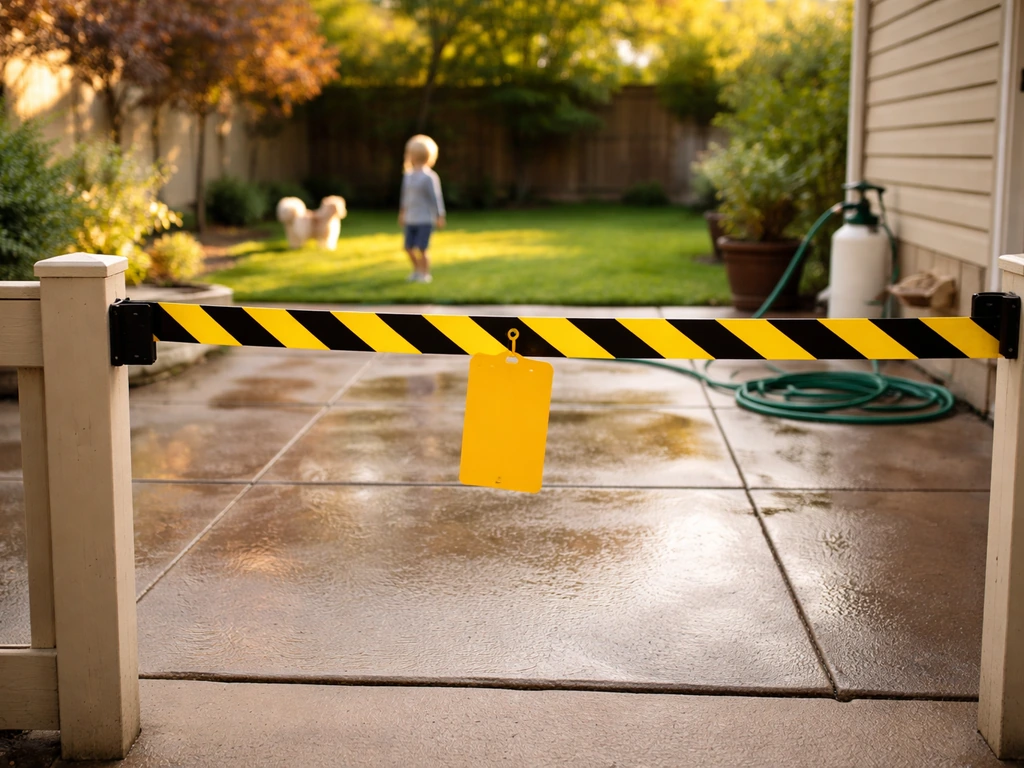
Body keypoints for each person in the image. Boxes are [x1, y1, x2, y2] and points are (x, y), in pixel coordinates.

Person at [398, 134, 446, 283]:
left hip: (424, 219)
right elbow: (404, 196)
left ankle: (425, 274)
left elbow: (435, 198)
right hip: (411, 218)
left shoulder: (429, 177)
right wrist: (402, 212)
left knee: (422, 248)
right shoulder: (408, 175)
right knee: (408, 247)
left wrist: (440, 215)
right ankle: (417, 270)